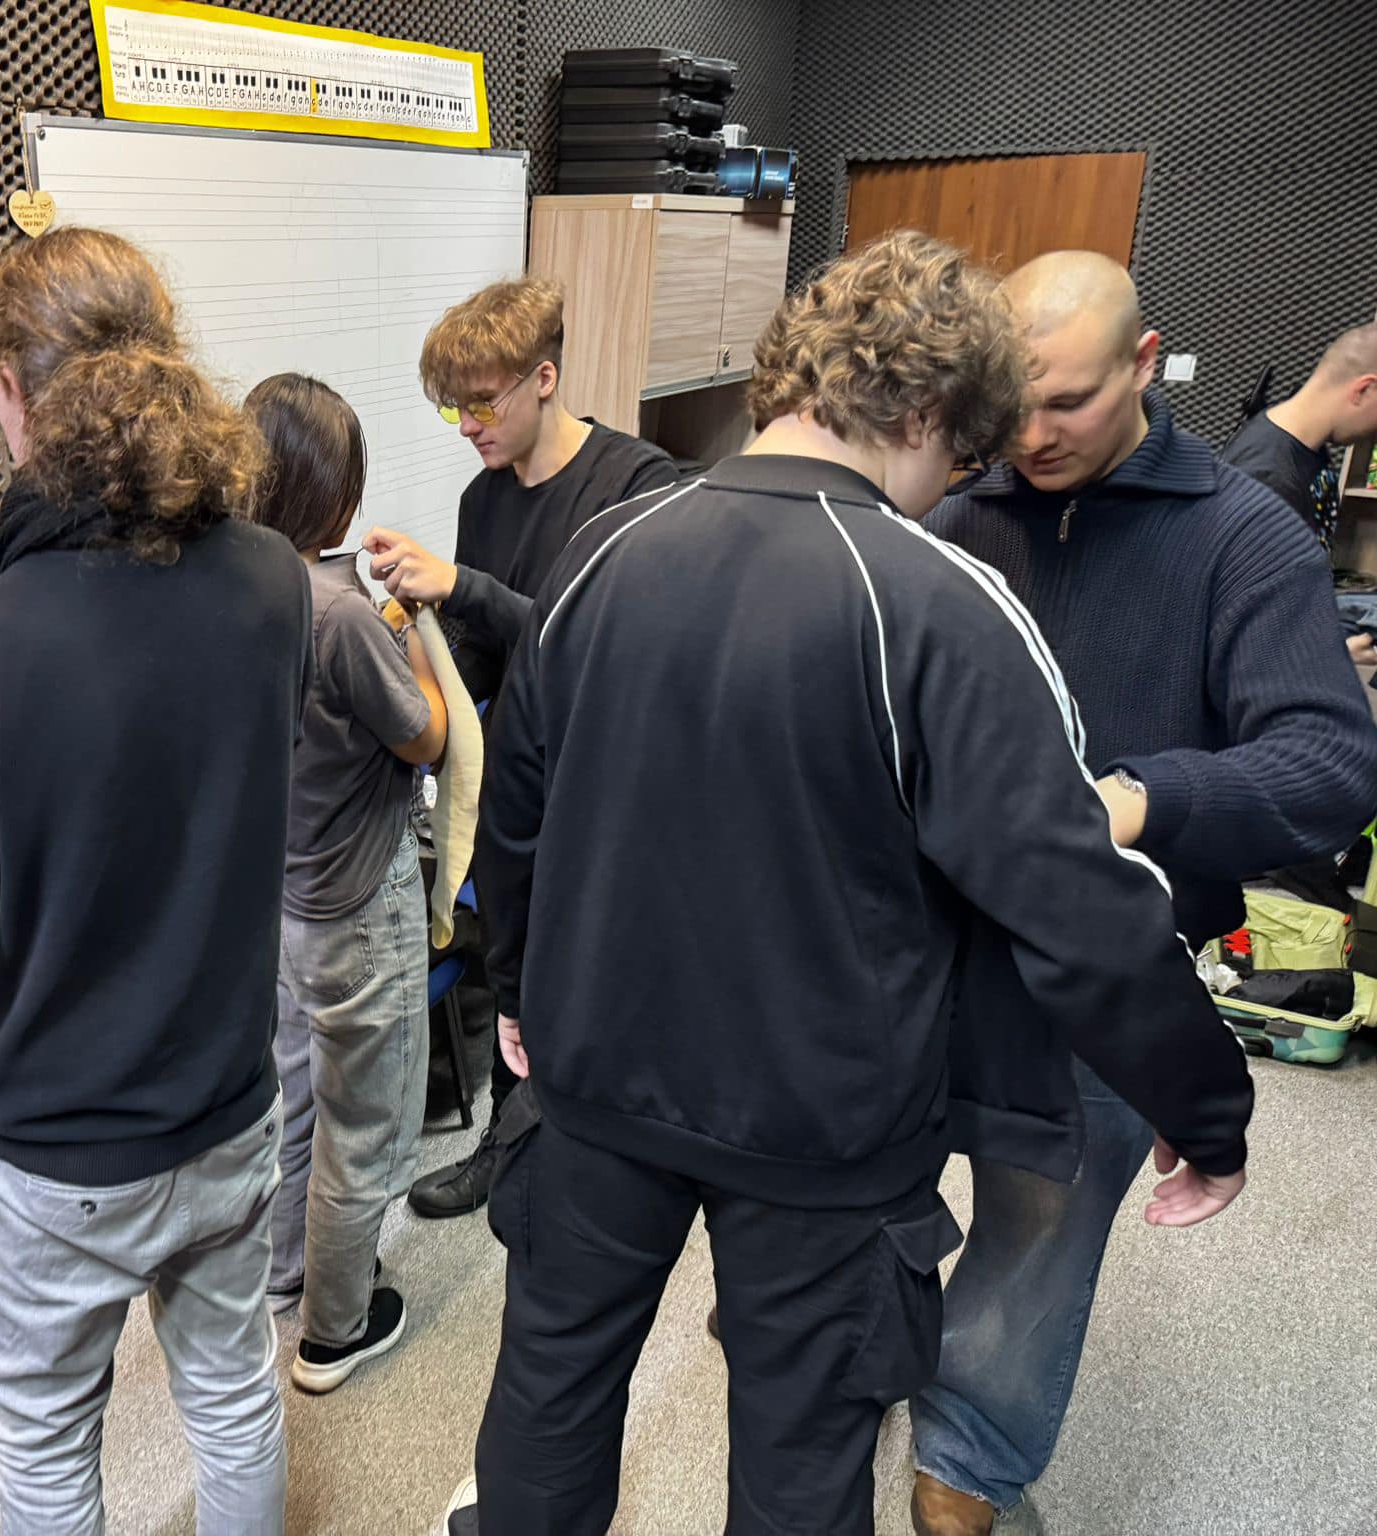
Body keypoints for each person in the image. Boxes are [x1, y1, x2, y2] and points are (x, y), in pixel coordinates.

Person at [438, 231, 1255, 1536]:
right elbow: (1082, 907)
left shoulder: (599, 548)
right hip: (824, 1133)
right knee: (803, 1466)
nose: (949, 488)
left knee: (546, 1407)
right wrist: (1203, 1107)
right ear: (930, 413)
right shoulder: (946, 604)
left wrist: (524, 992)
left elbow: (517, 821)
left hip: (593, 1085)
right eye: (959, 458)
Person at [0, 226, 310, 1536]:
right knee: (234, 1397)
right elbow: (149, 712)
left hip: (63, 1148)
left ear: (9, 389)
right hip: (227, 1101)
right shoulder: (271, 578)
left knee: (47, 1447)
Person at [910, 253, 1377, 1536]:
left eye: (1064, 399)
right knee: (859, 1197)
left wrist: (1136, 797)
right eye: (1010, 401)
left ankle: (960, 1467)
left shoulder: (1240, 535)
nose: (1029, 434)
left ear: (1142, 361)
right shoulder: (955, 520)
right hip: (923, 957)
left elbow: (1330, 762)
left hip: (1103, 983)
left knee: (1036, 1237)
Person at [362, 276, 678, 1219]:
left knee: (592, 976)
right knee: (514, 972)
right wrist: (402, 645)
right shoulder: (484, 498)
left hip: (608, 784)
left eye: (482, 402)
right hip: (517, 782)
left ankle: (595, 1156)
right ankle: (508, 1146)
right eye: (452, 407)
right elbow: (485, 653)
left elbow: (609, 652)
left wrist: (462, 587)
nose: (466, 425)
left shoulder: (638, 486)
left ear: (544, 377)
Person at [241, 373, 449, 1392]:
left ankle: (287, 1275)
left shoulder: (229, 589)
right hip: (360, 905)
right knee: (362, 1126)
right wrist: (408, 626)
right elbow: (427, 736)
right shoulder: (341, 616)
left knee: (292, 1103)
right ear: (337, 491)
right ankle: (333, 1330)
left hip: (278, 905)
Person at [1222, 321, 1377, 666]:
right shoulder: (1267, 477)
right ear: (1364, 390)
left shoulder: (1309, 444)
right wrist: (1331, 652)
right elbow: (1235, 626)